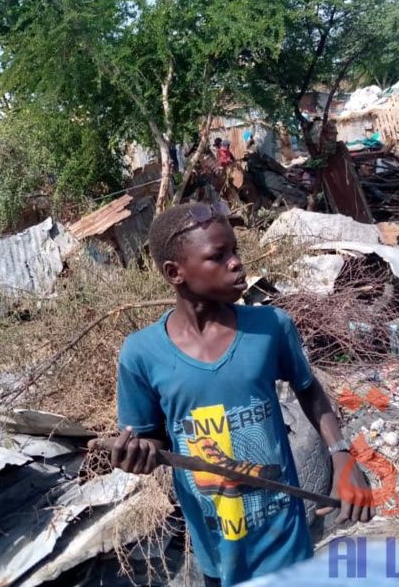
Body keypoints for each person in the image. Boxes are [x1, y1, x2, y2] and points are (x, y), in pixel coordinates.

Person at [101, 202, 373, 586]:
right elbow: (150, 439)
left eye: (235, 250)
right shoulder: (141, 353)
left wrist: (342, 456)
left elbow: (309, 391)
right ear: (174, 272)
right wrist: (139, 456)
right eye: (218, 256)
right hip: (217, 546)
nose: (237, 263)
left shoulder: (270, 327)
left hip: (285, 539)